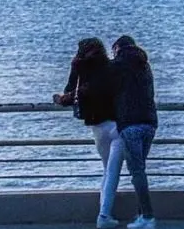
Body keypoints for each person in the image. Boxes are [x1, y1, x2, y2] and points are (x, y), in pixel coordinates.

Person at [54, 37, 125, 229]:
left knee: (107, 170)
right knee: (112, 172)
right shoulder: (112, 68)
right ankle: (104, 215)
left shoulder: (80, 68)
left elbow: (70, 92)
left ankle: (105, 214)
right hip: (117, 126)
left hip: (97, 127)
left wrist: (60, 98)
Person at [109, 35, 158, 229]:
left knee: (137, 172)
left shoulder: (116, 66)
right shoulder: (145, 65)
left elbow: (107, 91)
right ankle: (141, 216)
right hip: (150, 123)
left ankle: (148, 216)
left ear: (117, 48)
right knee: (141, 171)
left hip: (130, 124)